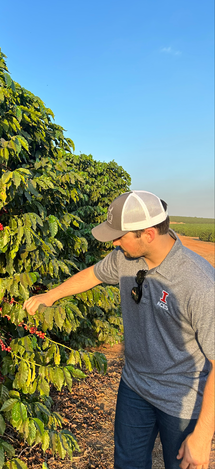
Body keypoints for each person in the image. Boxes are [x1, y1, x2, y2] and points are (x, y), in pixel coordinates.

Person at [23, 190, 214, 469]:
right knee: (127, 463)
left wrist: (203, 436)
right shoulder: (124, 259)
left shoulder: (198, 283)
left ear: (147, 234)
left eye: (120, 235)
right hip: (135, 387)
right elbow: (93, 274)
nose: (114, 242)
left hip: (182, 401)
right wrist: (51, 295)